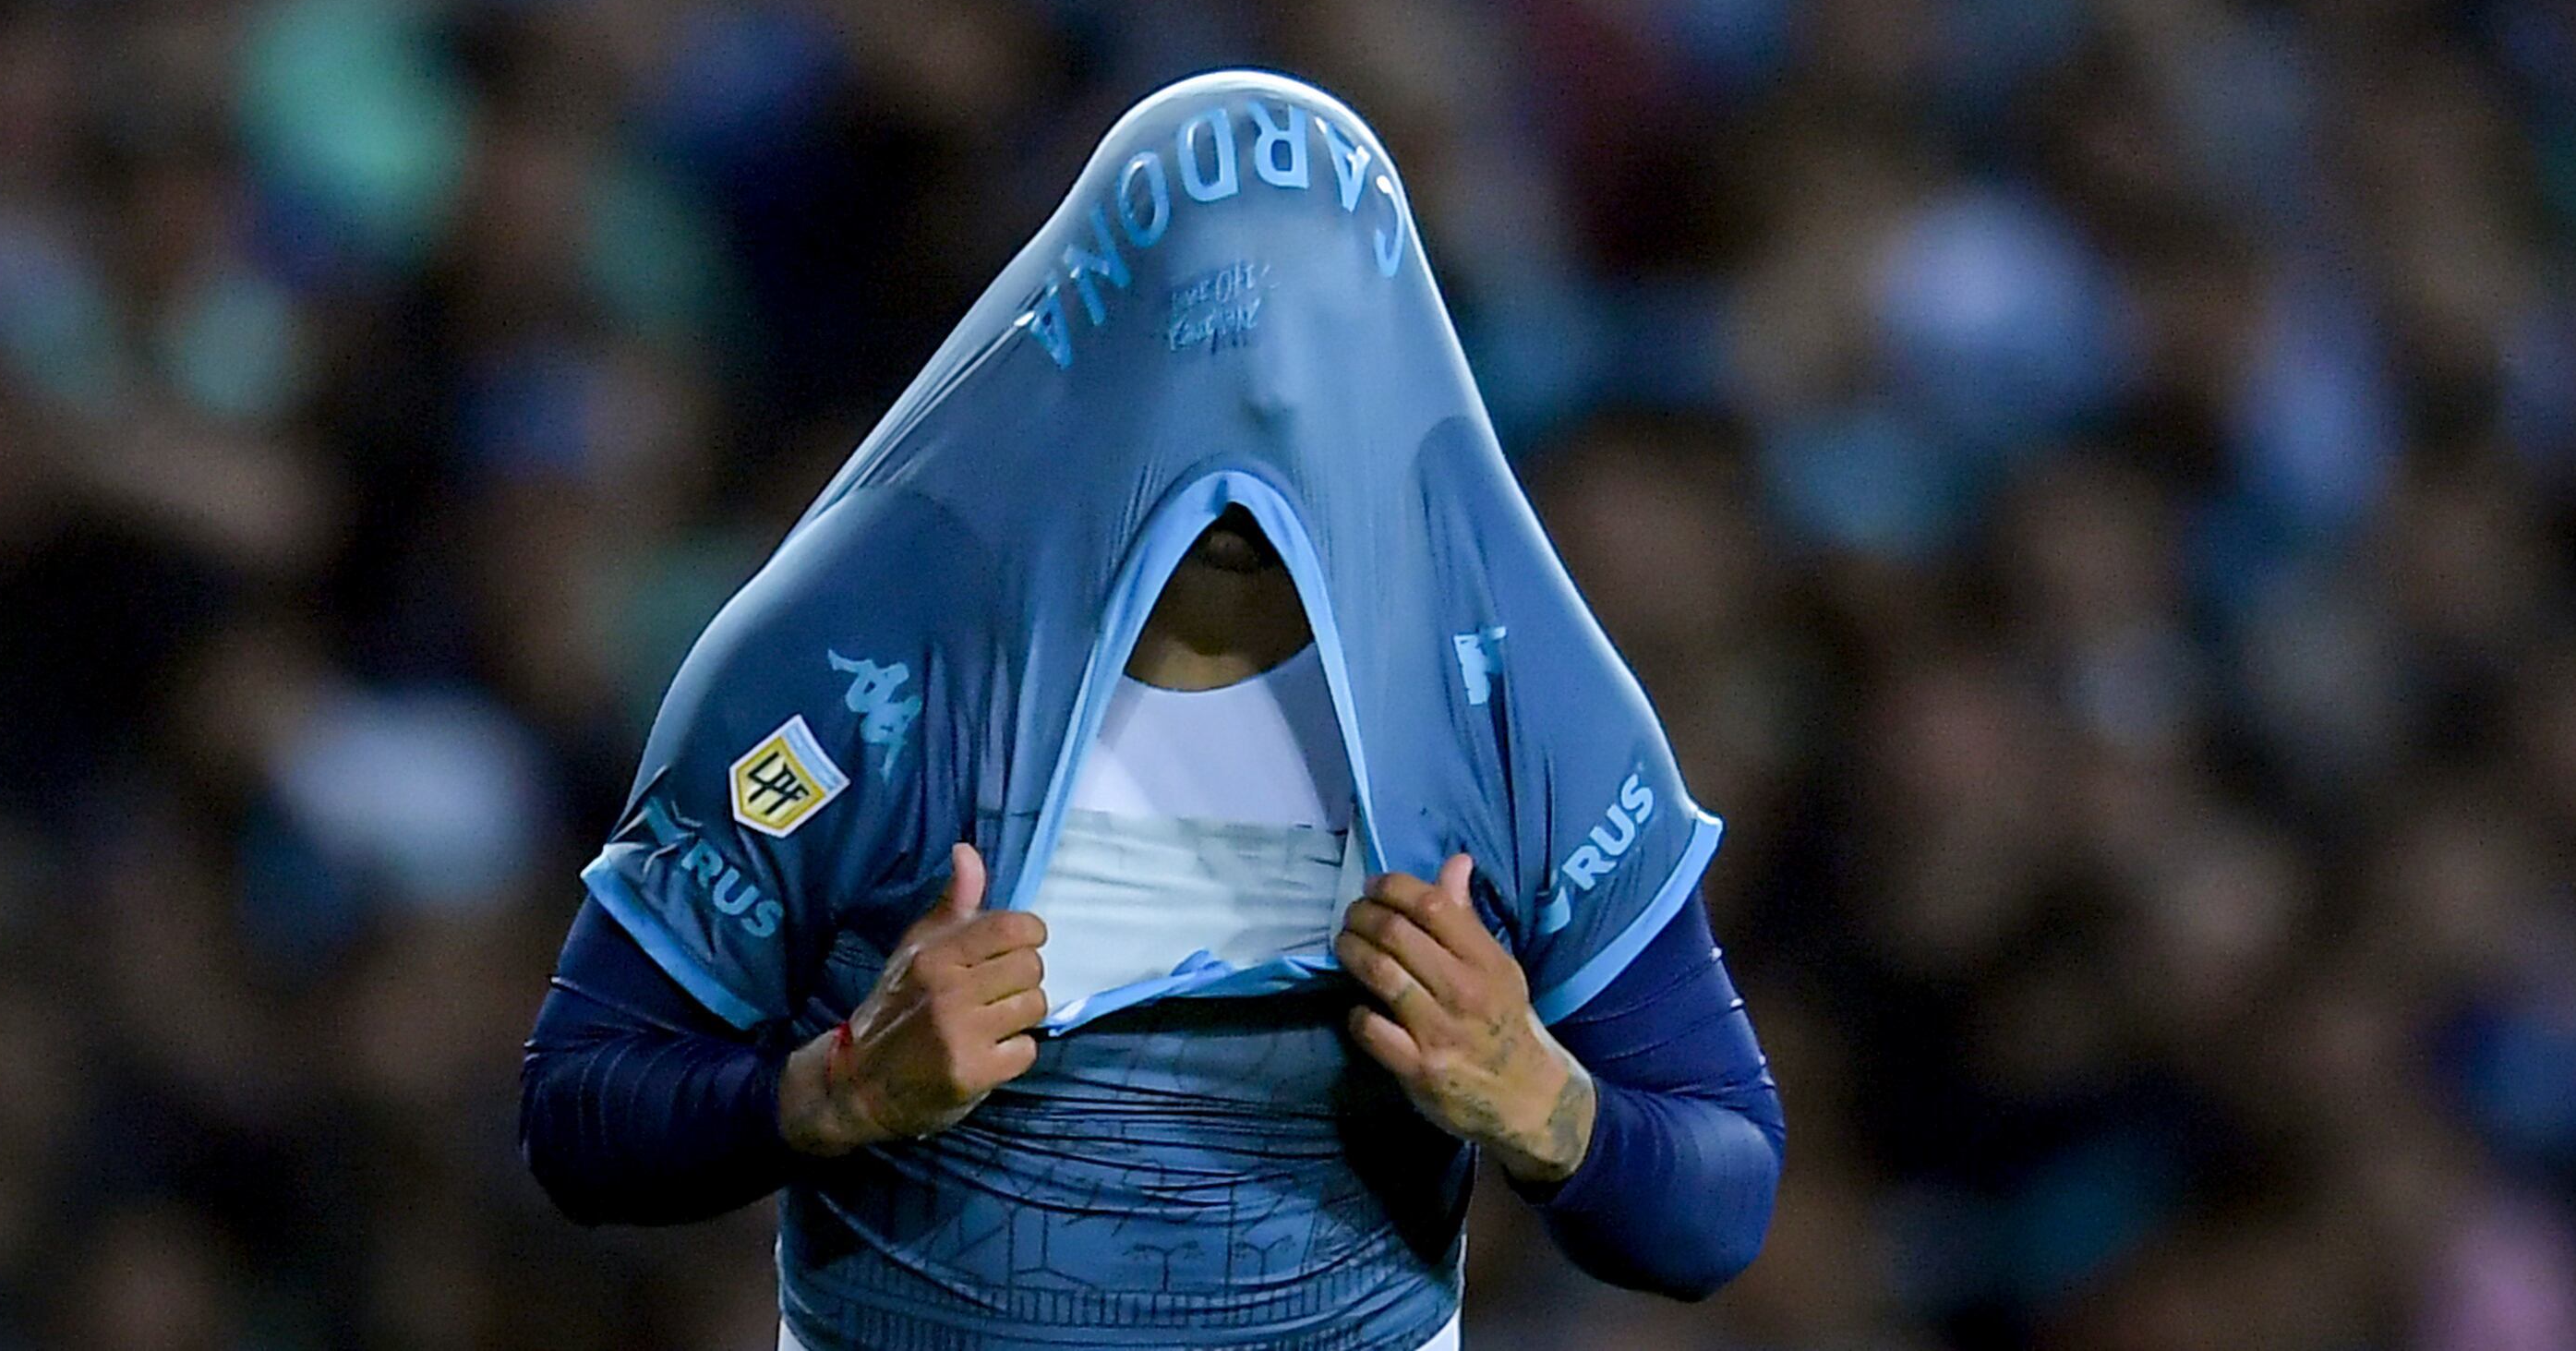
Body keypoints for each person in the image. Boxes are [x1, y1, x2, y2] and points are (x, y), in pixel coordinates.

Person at [521, 70, 1783, 1349]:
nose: (1251, 454)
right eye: (1203, 387)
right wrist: (832, 1088)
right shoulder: (860, 657)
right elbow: (576, 1111)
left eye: (1306, 401)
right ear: (1096, 359)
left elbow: (1721, 1195)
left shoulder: (1509, 685)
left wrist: (1542, 1099)